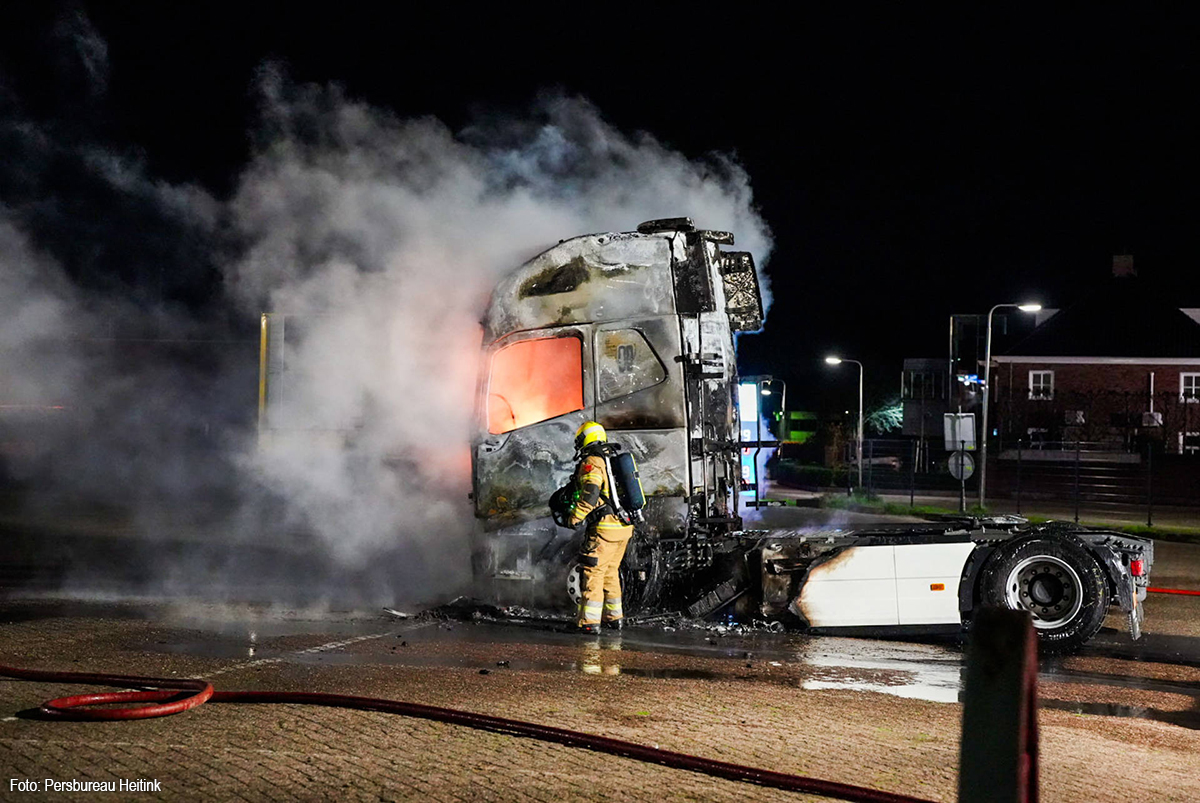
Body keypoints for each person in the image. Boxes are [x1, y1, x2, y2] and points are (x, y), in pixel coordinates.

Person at [566, 421, 634, 634]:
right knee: (610, 572)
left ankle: (589, 622)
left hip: (605, 530)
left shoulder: (592, 462)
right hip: (623, 527)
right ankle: (615, 618)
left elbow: (590, 493)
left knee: (592, 573)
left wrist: (575, 517)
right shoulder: (610, 459)